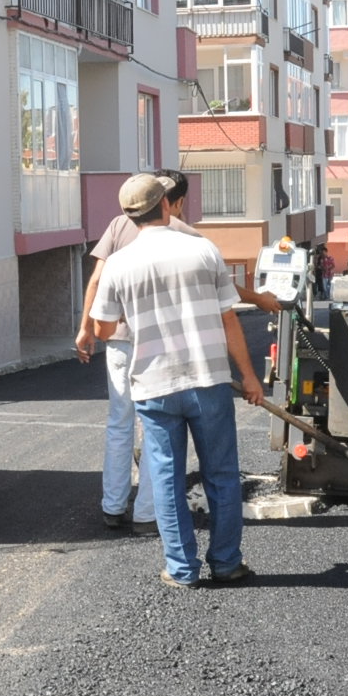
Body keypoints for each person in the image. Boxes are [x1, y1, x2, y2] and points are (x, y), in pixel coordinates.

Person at [90, 172, 267, 587]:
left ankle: (182, 569)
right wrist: (250, 378)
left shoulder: (118, 263)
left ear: (128, 216)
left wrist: (137, 326)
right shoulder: (202, 250)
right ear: (167, 205)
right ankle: (226, 564)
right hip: (208, 381)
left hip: (154, 387)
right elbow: (229, 320)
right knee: (221, 474)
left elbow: (102, 330)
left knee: (166, 478)